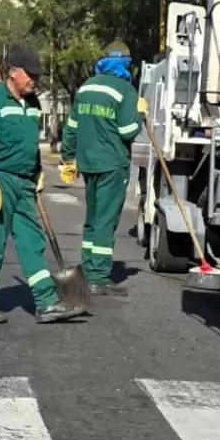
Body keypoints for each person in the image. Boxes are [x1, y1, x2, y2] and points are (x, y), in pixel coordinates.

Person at [0, 45, 87, 325]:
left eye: (37, 74)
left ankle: (46, 302)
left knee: (33, 242)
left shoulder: (32, 104)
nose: (35, 79)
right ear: (13, 73)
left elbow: (29, 145)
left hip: (24, 183)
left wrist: (37, 172)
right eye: (30, 74)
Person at [59, 41, 147, 296]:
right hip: (112, 164)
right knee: (106, 221)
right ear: (126, 65)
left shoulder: (86, 87)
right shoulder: (125, 91)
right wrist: (139, 114)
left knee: (93, 218)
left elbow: (71, 126)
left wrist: (68, 157)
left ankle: (87, 269)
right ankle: (98, 276)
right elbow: (127, 131)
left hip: (88, 164)